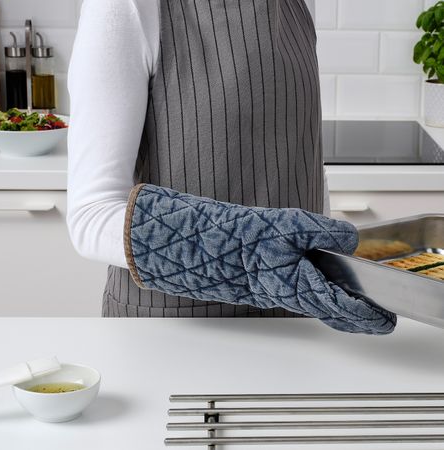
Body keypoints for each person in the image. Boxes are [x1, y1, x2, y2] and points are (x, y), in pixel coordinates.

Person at [66, 0, 396, 333]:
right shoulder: (125, 7)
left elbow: (299, 159)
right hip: (169, 332)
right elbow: (92, 213)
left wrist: (333, 271)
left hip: (295, 327)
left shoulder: (297, 6)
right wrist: (254, 255)